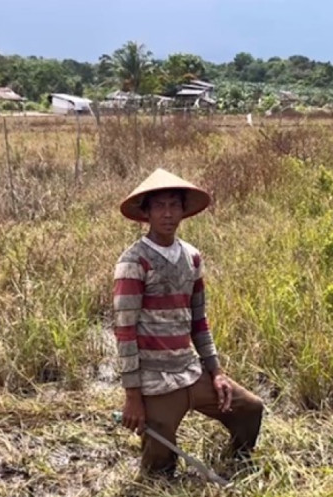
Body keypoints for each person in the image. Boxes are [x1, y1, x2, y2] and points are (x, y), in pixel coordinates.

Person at [113, 168, 265, 479]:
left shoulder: (192, 257)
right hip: (155, 379)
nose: (168, 214)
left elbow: (199, 320)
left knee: (250, 409)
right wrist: (133, 397)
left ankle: (236, 463)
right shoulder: (133, 261)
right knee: (159, 467)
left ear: (184, 210)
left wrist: (217, 372)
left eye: (174, 205)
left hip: (190, 370)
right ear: (146, 213)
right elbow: (125, 332)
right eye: (159, 206)